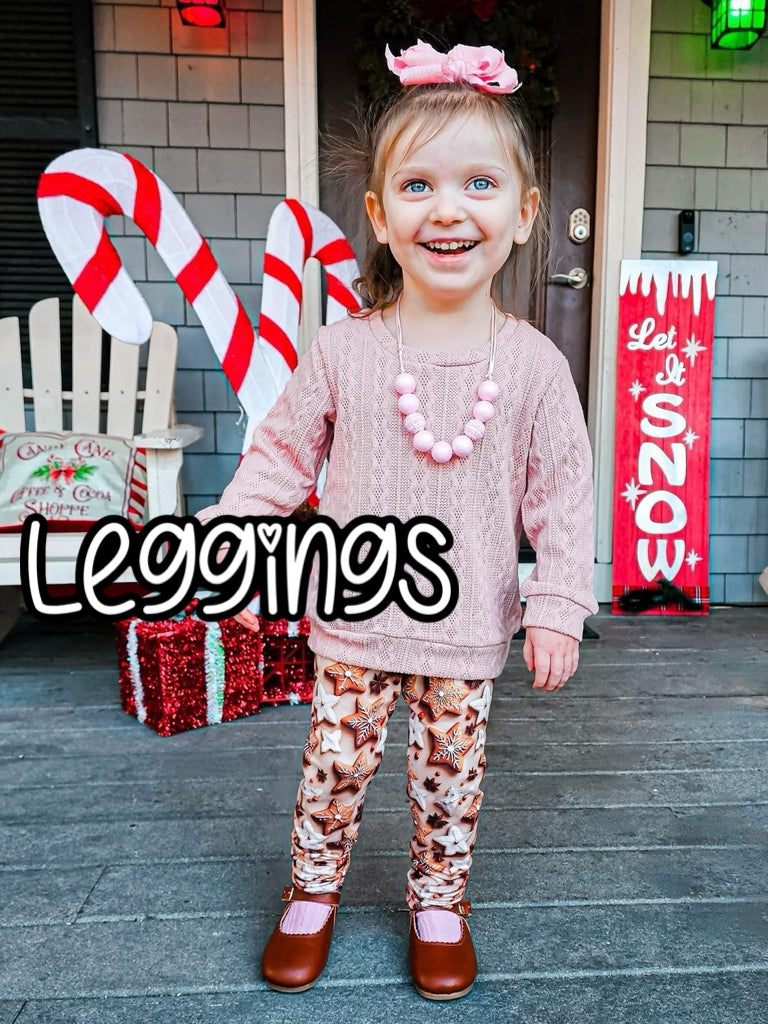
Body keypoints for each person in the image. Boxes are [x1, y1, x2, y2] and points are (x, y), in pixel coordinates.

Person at [196, 39, 598, 1001]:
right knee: (332, 767)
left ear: (523, 213)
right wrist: (231, 546)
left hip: (467, 623)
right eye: (418, 186)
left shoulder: (535, 367)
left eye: (479, 184)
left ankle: (440, 904)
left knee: (451, 778)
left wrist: (557, 602)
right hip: (353, 617)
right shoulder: (345, 352)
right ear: (379, 216)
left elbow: (563, 491)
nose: (447, 209)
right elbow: (280, 457)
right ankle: (311, 892)